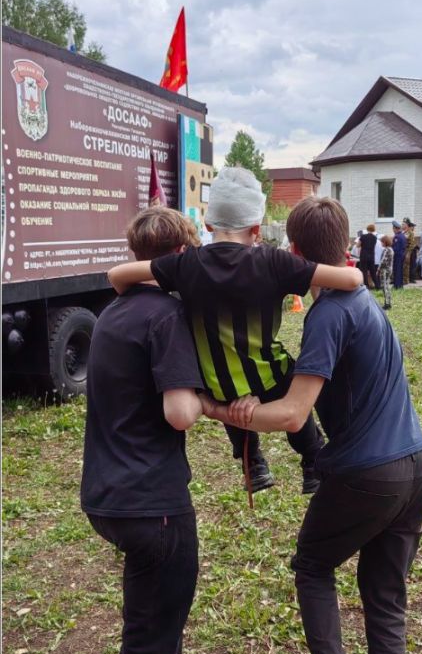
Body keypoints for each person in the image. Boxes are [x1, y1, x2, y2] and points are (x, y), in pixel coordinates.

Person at [205, 198, 422, 654]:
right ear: (345, 245)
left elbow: (293, 414)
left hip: (366, 476)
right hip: (416, 468)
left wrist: (215, 408)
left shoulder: (329, 313)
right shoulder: (365, 301)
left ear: (296, 254)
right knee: (386, 607)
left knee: (311, 566)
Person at [108, 169, 363, 496]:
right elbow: (351, 280)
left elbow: (117, 275)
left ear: (208, 224)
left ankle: (253, 464)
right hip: (269, 376)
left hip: (218, 383)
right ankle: (313, 461)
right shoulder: (273, 262)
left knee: (226, 390)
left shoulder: (186, 265)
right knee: (290, 387)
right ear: (256, 229)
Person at [81, 207, 210, 654]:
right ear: (180, 255)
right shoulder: (167, 315)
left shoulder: (113, 312)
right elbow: (180, 412)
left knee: (152, 644)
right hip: (154, 508)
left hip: (107, 498)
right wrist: (219, 405)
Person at [358, 224, 379, 290]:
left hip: (364, 256)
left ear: (367, 229)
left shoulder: (363, 236)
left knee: (364, 271)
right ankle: (377, 286)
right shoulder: (375, 238)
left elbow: (358, 245)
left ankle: (366, 286)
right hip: (371, 256)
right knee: (372, 271)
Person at [378, 235, 394, 311]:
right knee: (387, 286)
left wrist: (378, 269)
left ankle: (387, 304)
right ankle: (388, 302)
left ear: (385, 242)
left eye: (382, 242)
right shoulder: (391, 249)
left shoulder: (386, 250)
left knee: (384, 286)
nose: (381, 243)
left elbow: (383, 261)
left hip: (384, 270)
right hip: (389, 269)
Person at [391, 221, 406, 290]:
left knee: (397, 271)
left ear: (395, 228)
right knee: (400, 270)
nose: (393, 230)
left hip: (397, 256)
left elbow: (395, 248)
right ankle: (400, 285)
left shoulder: (397, 237)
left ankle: (396, 285)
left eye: (393, 228)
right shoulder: (402, 235)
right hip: (401, 255)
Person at [401, 219, 415, 287]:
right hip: (401, 250)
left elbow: (412, 244)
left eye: (403, 224)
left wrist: (408, 253)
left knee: (406, 266)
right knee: (402, 265)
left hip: (407, 251)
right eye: (402, 224)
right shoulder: (402, 232)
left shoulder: (410, 232)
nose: (402, 225)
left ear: (407, 225)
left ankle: (406, 280)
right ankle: (402, 279)